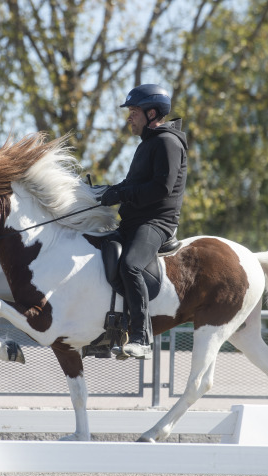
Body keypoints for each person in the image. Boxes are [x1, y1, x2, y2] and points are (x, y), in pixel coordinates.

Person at [100, 84, 188, 359]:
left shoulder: (167, 142)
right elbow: (133, 184)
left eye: (134, 112)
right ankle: (116, 328)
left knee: (131, 266)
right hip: (134, 221)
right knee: (100, 251)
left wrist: (123, 193)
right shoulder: (148, 144)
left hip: (156, 222)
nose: (129, 118)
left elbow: (161, 189)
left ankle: (141, 337)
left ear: (152, 113)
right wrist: (106, 192)